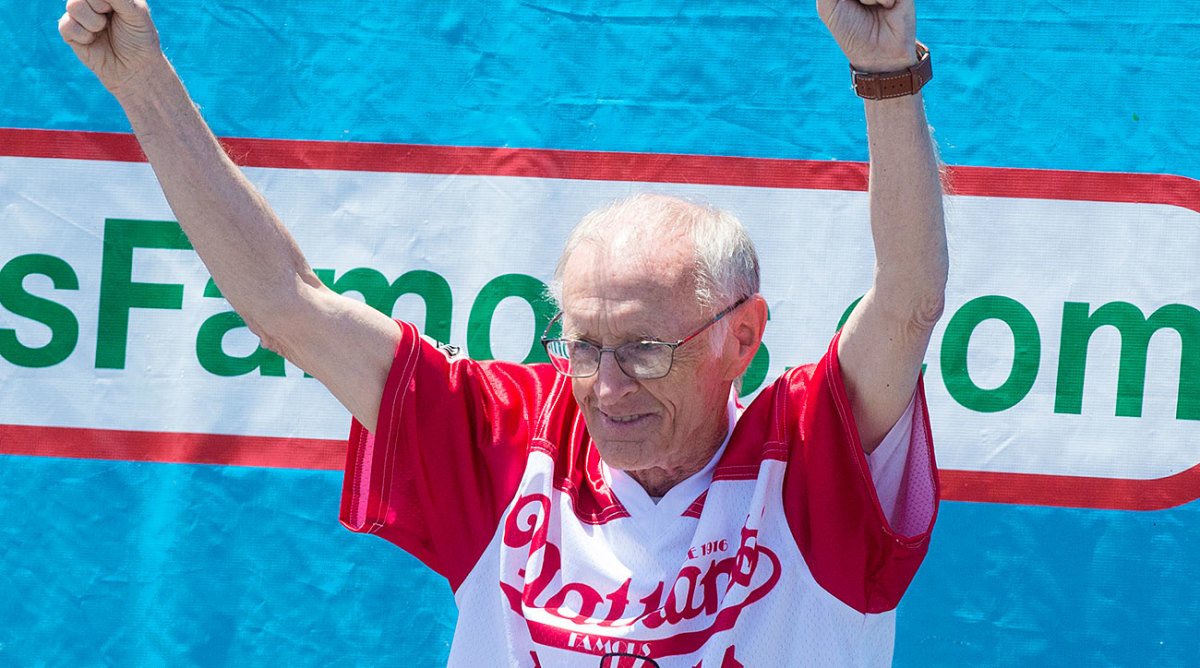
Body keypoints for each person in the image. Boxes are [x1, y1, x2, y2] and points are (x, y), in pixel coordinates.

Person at [60, 0, 947, 665]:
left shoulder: (811, 452)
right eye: (584, 347)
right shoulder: (512, 436)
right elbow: (288, 303)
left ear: (742, 336)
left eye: (643, 350)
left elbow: (908, 299)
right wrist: (141, 81)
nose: (605, 389)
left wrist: (887, 75)